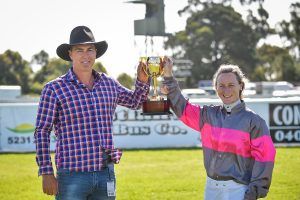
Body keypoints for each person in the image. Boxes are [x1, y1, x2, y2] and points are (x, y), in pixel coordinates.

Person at [34, 25, 149, 200]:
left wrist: (142, 80)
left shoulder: (109, 83)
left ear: (96, 53)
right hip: (72, 175)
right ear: (70, 54)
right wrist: (46, 172)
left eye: (90, 50)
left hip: (105, 174)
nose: (85, 55)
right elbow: (42, 131)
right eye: (79, 50)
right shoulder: (54, 89)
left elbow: (135, 102)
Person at [161, 58, 276, 200]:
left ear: (240, 86)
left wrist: (254, 192)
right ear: (215, 88)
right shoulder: (207, 115)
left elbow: (265, 157)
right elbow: (183, 107)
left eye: (231, 85)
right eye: (221, 85)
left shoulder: (255, 122)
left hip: (239, 191)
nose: (226, 90)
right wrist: (168, 75)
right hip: (210, 190)